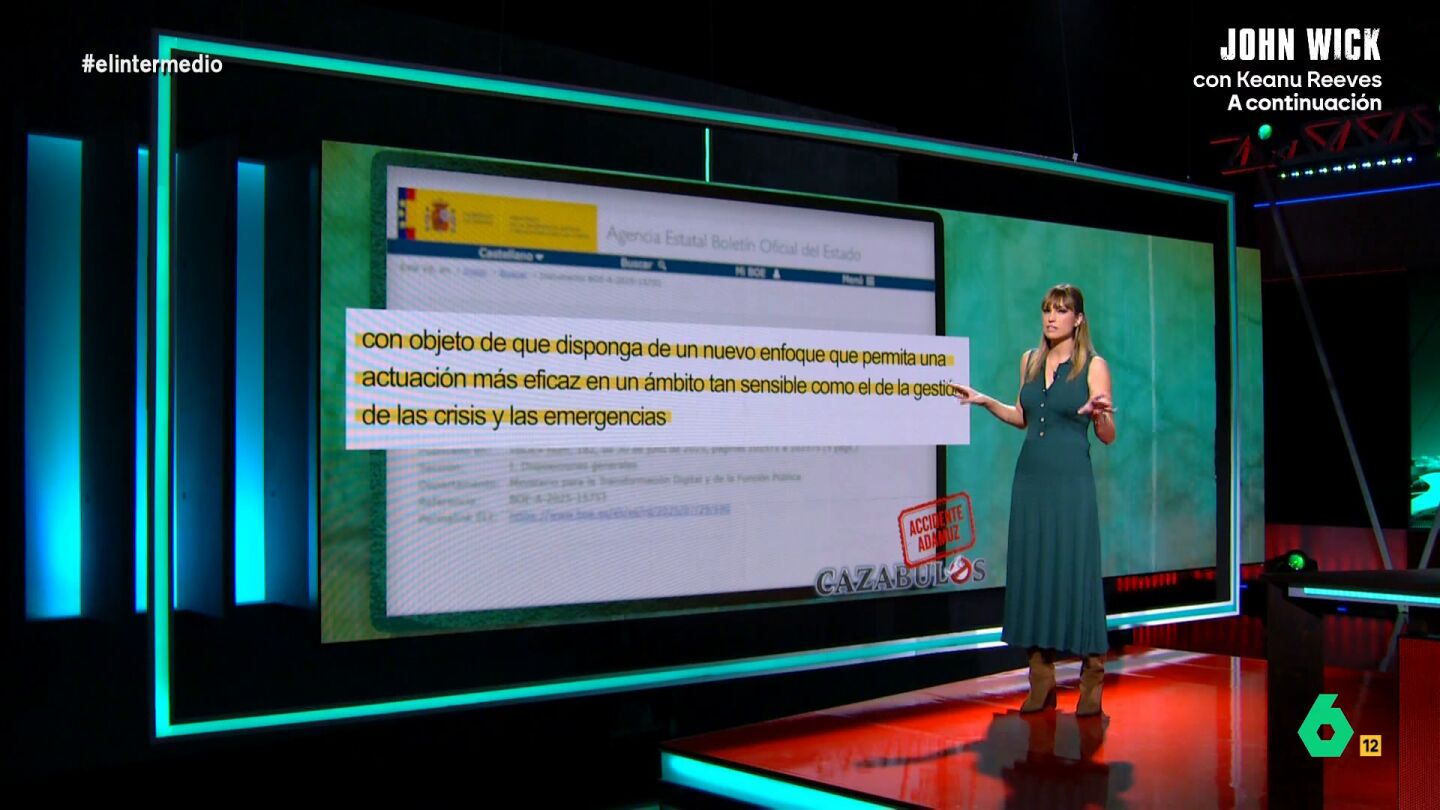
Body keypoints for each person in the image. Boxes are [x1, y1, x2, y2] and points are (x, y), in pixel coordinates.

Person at [951, 283, 1115, 716]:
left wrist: (1100, 416)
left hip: (1071, 481)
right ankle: (1041, 680)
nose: (1051, 318)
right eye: (1047, 310)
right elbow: (1023, 417)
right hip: (1030, 480)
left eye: (1061, 311)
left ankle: (1092, 676)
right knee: (1034, 570)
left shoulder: (1094, 366)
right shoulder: (1030, 360)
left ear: (1078, 319)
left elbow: (1107, 435)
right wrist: (985, 402)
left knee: (1075, 571)